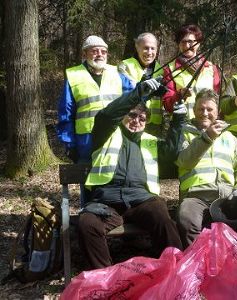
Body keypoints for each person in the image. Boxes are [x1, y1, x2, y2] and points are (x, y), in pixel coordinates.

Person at [78, 78, 185, 269]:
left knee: (163, 218)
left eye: (142, 118)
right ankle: (105, 277)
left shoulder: (151, 141)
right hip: (106, 202)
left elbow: (171, 152)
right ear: (123, 116)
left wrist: (179, 118)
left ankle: (173, 270)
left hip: (142, 201)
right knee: (87, 223)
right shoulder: (106, 133)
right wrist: (138, 92)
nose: (137, 121)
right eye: (132, 115)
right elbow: (106, 115)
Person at [175, 89, 237, 248]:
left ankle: (235, 256)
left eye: (209, 109)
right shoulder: (183, 134)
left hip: (228, 195)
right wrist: (207, 138)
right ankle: (199, 263)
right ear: (194, 110)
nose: (204, 113)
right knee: (186, 220)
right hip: (196, 196)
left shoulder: (230, 138)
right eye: (200, 109)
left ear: (218, 112)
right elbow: (184, 161)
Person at [57, 35, 134, 165]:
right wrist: (70, 145)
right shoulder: (74, 76)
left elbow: (134, 98)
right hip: (86, 145)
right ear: (84, 53)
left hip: (115, 142)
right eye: (94, 51)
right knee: (87, 184)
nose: (100, 55)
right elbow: (66, 114)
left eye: (103, 51)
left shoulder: (117, 74)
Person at [163, 24, 220, 119]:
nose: (186, 46)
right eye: (182, 42)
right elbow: (167, 105)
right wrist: (179, 95)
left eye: (190, 42)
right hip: (182, 125)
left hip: (207, 123)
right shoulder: (170, 69)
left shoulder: (211, 68)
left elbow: (218, 101)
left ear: (198, 43)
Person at [118, 32, 164, 136]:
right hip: (132, 121)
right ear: (137, 48)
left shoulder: (161, 70)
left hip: (154, 124)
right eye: (146, 48)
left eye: (153, 48)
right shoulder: (125, 66)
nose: (149, 52)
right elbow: (124, 93)